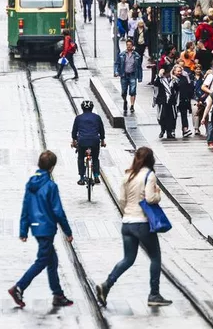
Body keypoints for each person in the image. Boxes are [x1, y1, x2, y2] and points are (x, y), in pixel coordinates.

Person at [96, 146, 172, 308]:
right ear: (150, 160)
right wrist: (158, 193)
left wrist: (127, 214)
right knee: (155, 257)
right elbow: (151, 199)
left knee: (128, 259)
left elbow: (122, 200)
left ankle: (106, 285)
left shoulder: (127, 175)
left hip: (127, 223)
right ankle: (154, 294)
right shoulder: (149, 175)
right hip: (142, 223)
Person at [8, 150, 74, 309]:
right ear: (52, 167)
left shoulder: (31, 183)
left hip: (36, 229)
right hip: (47, 228)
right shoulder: (51, 186)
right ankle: (19, 287)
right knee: (42, 261)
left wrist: (23, 230)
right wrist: (68, 231)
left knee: (52, 261)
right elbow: (58, 211)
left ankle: (58, 295)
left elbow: (25, 207)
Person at [71, 100, 106, 185]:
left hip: (82, 141)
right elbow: (101, 130)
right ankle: (96, 175)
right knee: (95, 158)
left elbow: (74, 131)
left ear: (82, 108)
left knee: (80, 158)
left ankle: (82, 178)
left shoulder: (78, 118)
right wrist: (102, 141)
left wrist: (74, 141)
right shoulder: (97, 117)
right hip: (95, 141)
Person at [117, 40, 139, 114]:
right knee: (124, 91)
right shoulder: (122, 54)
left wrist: (140, 77)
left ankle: (132, 105)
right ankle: (125, 101)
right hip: (124, 75)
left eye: (130, 45)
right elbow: (117, 63)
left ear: (132, 46)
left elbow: (139, 67)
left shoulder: (136, 55)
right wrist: (117, 71)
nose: (129, 46)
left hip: (132, 75)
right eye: (127, 45)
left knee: (133, 91)